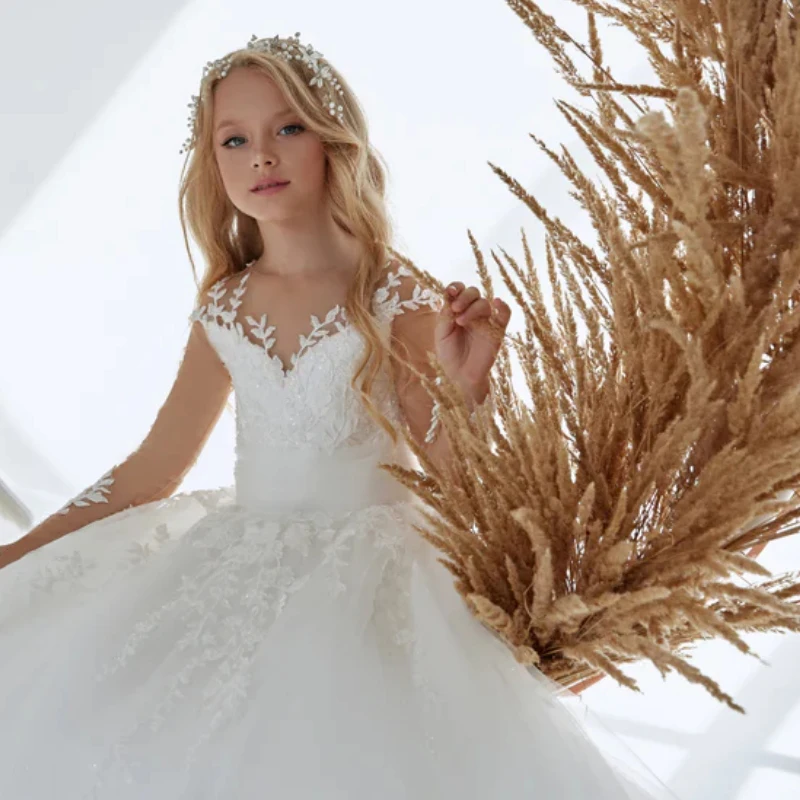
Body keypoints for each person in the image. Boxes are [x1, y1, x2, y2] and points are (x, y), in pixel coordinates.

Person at [0, 32, 678, 798]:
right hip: (233, 570)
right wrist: (18, 555)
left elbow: (460, 481)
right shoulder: (224, 306)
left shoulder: (396, 297)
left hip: (371, 586)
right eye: (235, 139)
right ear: (212, 163)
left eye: (286, 128)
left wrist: (466, 392)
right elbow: (149, 470)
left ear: (331, 141)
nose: (261, 155)